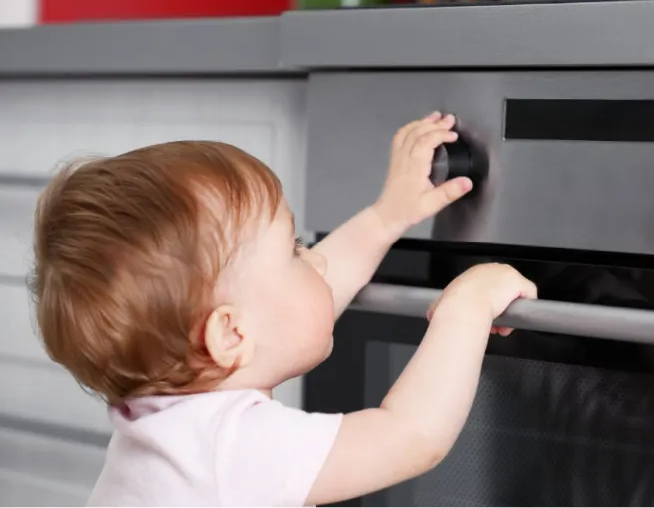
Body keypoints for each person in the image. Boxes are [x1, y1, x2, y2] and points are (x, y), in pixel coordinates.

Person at [30, 111, 537, 506]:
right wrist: (465, 308)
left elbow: (300, 301)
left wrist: (388, 216)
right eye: (292, 251)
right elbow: (409, 437)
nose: (314, 260)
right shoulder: (231, 447)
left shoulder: (167, 428)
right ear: (229, 334)